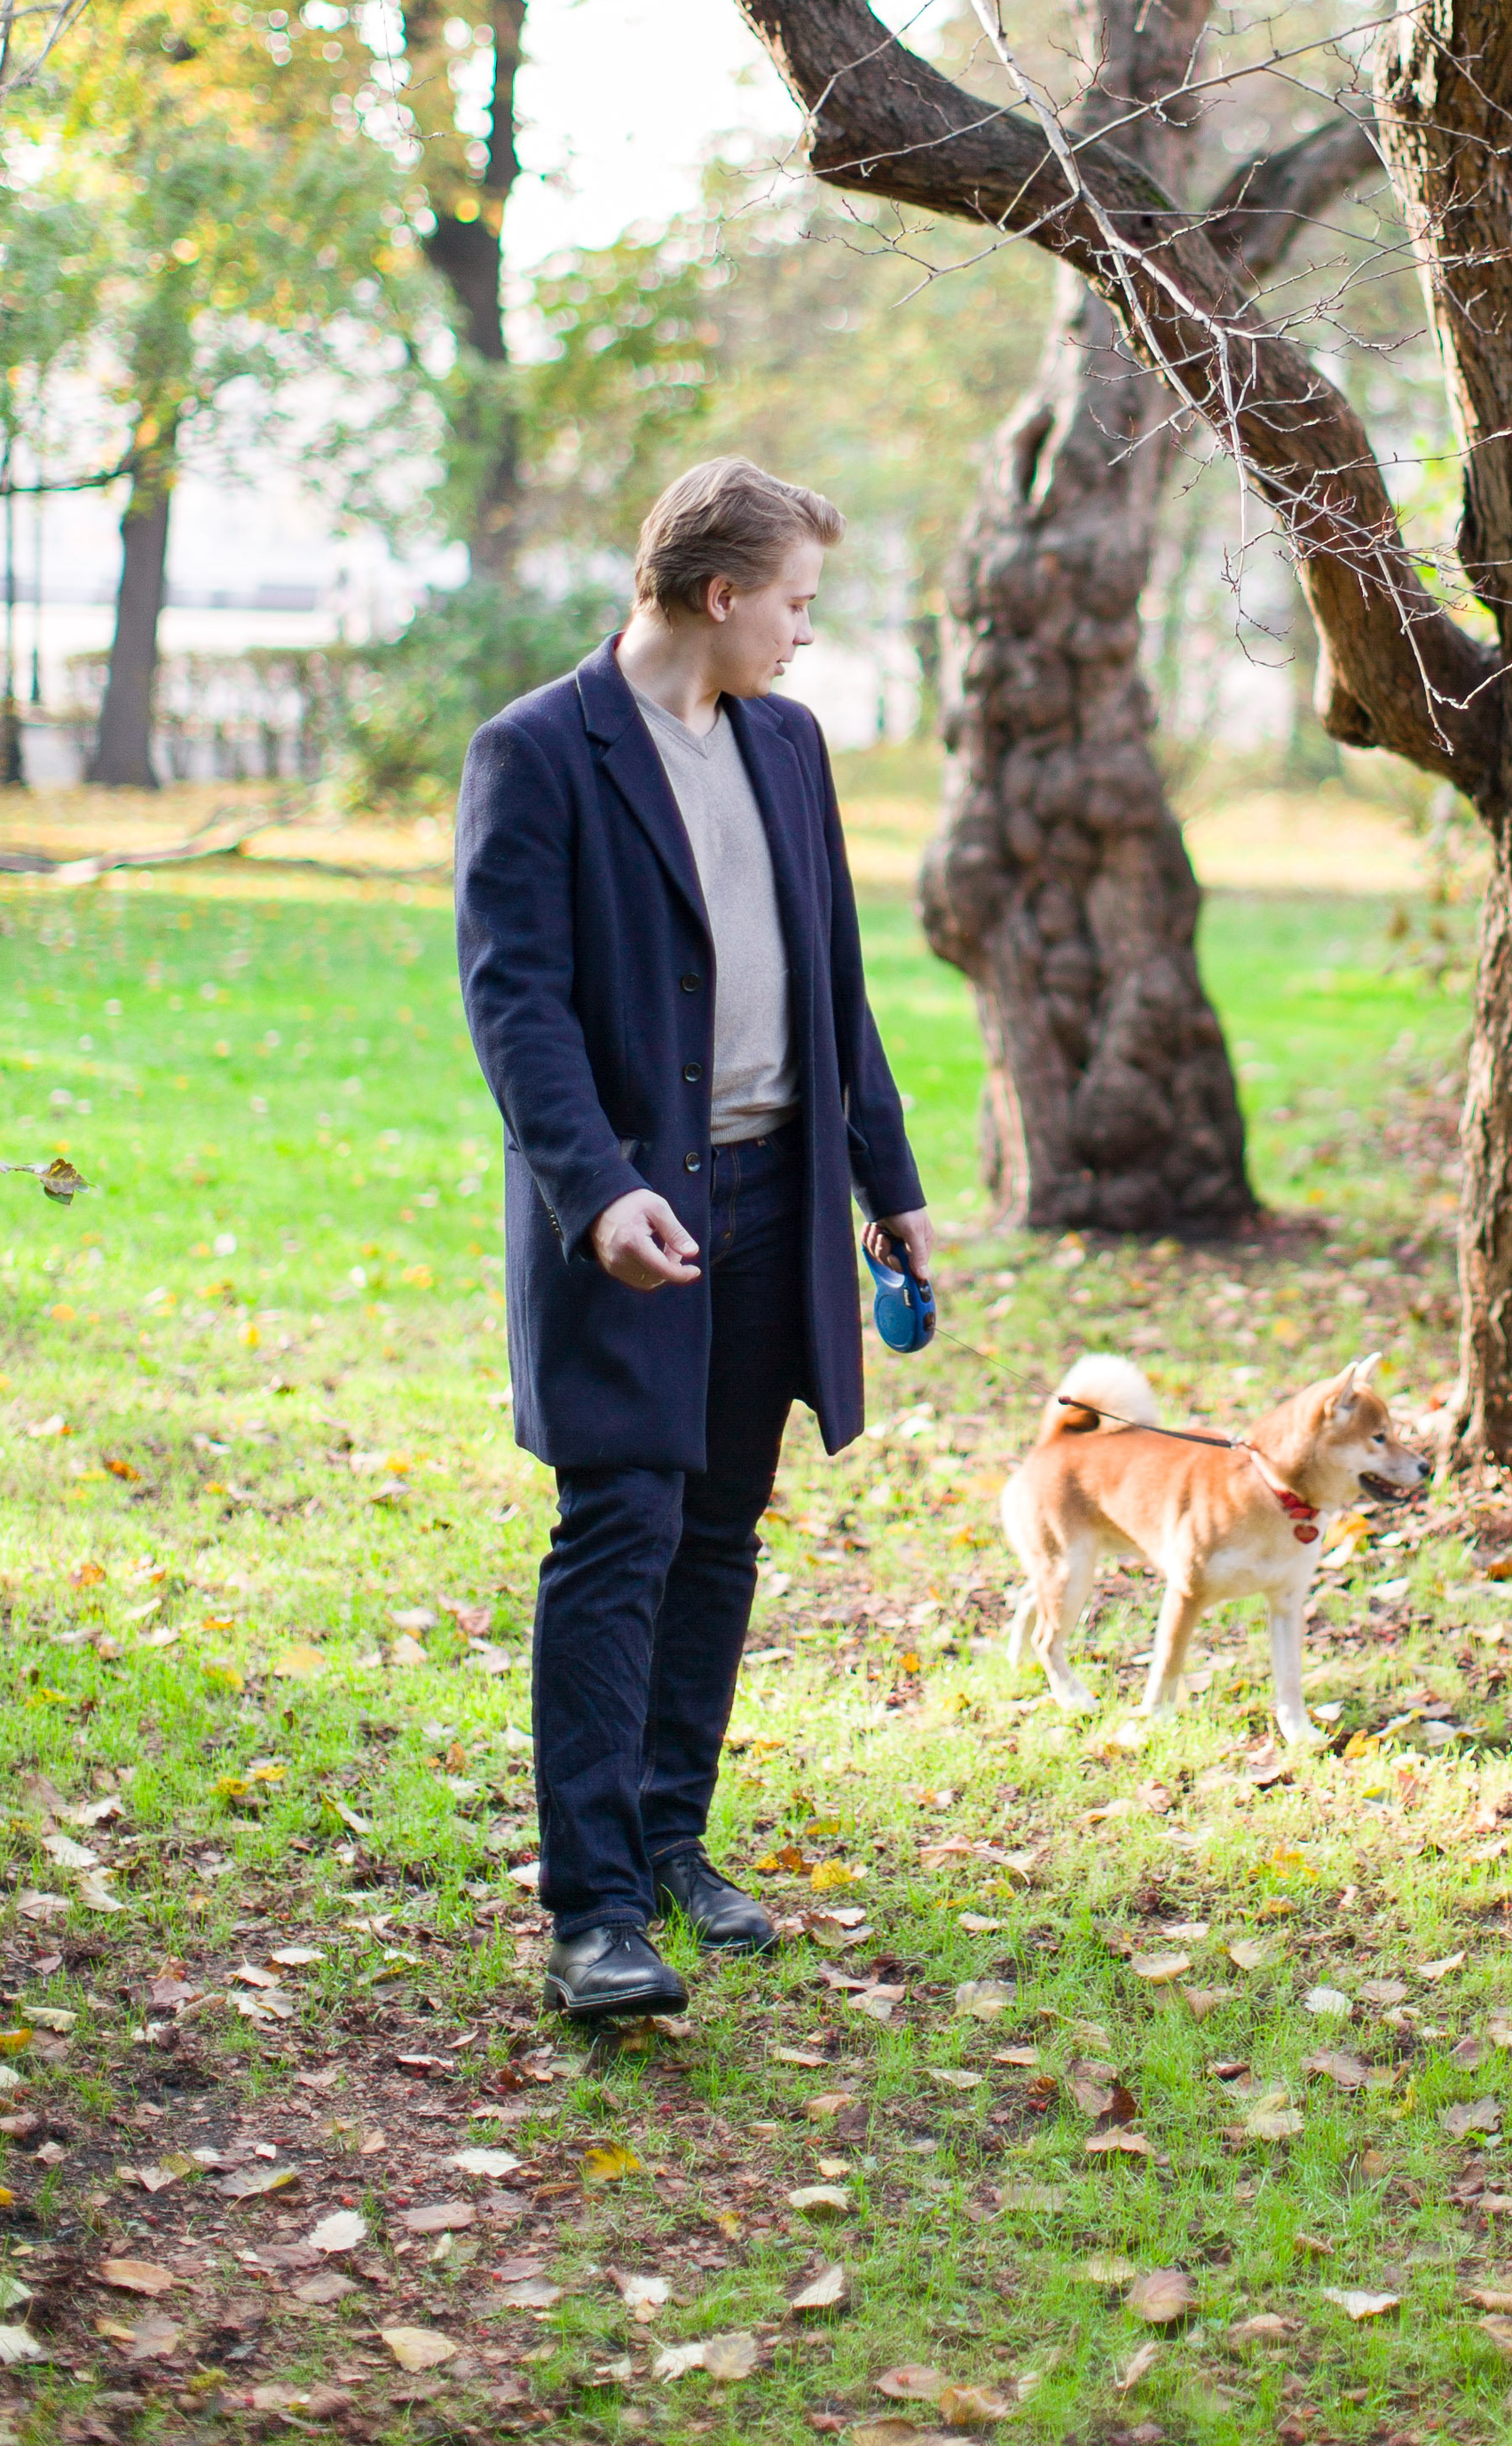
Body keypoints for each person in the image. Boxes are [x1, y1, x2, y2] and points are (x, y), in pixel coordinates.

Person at [455, 456, 932, 2022]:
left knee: (720, 1533)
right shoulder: (537, 751)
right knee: (620, 1539)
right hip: (632, 1217)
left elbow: (833, 977)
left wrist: (888, 1176)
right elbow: (511, 1000)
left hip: (778, 1198)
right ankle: (591, 1911)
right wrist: (593, 1195)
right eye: (794, 603)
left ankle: (671, 1842)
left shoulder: (788, 748)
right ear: (720, 596)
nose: (806, 634)